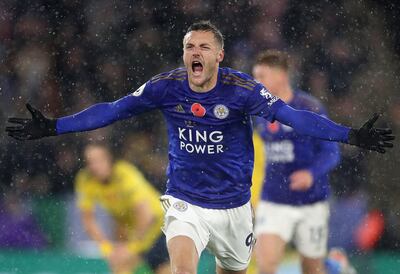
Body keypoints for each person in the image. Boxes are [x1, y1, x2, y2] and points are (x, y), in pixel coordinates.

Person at [6, 21, 394, 274]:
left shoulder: (241, 90)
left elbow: (294, 117)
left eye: (204, 47)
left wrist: (350, 135)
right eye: (190, 46)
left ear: (219, 56)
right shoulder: (165, 86)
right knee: (184, 268)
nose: (195, 52)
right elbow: (113, 110)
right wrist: (55, 126)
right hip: (185, 202)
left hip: (235, 207)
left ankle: (334, 263)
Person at [251, 50, 340, 274]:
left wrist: (311, 173)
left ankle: (337, 267)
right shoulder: (257, 111)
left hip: (312, 203)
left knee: (312, 269)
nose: (256, 82)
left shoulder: (309, 108)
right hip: (274, 201)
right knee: (266, 265)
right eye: (255, 76)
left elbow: (331, 151)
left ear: (281, 76)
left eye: (262, 76)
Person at [75, 142, 169, 274]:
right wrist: (107, 248)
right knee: (120, 265)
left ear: (110, 159)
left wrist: (132, 247)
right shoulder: (85, 179)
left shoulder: (125, 174)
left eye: (99, 160)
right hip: (134, 230)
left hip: (160, 226)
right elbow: (88, 220)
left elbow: (146, 215)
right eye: (90, 161)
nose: (94, 166)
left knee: (162, 269)